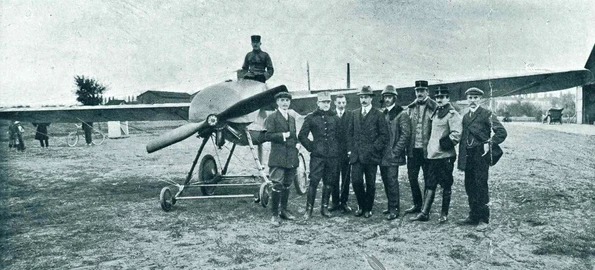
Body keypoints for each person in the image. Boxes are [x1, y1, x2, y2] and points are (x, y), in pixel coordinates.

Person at [457, 87, 507, 231]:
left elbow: (502, 132)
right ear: (467, 99)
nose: (472, 101)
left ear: (480, 99)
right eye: (470, 98)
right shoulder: (466, 117)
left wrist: (489, 144)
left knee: (481, 186)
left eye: (475, 98)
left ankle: (484, 219)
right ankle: (473, 216)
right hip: (468, 156)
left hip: (481, 155)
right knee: (469, 186)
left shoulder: (487, 114)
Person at [411, 86, 461, 223]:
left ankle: (444, 214)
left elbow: (457, 134)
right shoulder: (435, 112)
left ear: (448, 98)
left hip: (445, 157)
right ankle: (424, 213)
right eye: (437, 97)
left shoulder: (452, 114)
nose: (439, 99)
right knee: (430, 184)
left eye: (442, 97)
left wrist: (445, 145)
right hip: (432, 156)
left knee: (446, 185)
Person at [347, 86, 389, 218]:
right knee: (356, 181)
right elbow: (349, 134)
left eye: (366, 97)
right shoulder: (354, 114)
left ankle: (368, 208)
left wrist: (374, 148)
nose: (363, 100)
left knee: (370, 183)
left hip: (371, 156)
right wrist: (351, 150)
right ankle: (361, 205)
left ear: (371, 98)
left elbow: (384, 136)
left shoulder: (379, 114)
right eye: (361, 97)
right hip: (357, 156)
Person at [298, 91, 340, 219]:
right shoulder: (311, 117)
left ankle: (324, 208)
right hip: (317, 156)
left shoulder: (335, 117)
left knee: (329, 181)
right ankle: (309, 210)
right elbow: (302, 136)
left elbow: (340, 136)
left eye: (328, 102)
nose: (326, 104)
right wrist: (312, 147)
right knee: (314, 182)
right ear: (318, 103)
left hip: (332, 155)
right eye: (323, 102)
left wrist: (336, 148)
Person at [264, 91, 299, 226]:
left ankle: (284, 211)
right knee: (277, 184)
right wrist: (284, 135)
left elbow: (294, 136)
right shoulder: (272, 117)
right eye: (282, 100)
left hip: (291, 156)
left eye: (287, 101)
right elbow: (268, 136)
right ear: (277, 102)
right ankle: (274, 215)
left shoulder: (291, 118)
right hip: (278, 157)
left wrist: (297, 144)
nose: (285, 103)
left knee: (286, 185)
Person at [404, 80, 437, 215]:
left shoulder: (434, 107)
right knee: (412, 178)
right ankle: (417, 204)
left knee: (428, 179)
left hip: (427, 151)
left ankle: (425, 207)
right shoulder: (410, 108)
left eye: (422, 91)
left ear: (427, 92)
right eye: (417, 91)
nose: (420, 93)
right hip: (413, 150)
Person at [379, 85, 411, 220]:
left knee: (392, 181)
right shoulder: (383, 113)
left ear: (395, 98)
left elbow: (405, 135)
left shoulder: (401, 114)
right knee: (386, 180)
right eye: (385, 97)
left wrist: (396, 151)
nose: (387, 100)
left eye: (390, 97)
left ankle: (395, 209)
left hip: (393, 155)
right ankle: (390, 205)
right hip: (382, 155)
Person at [329, 94, 353, 213]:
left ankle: (344, 202)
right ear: (335, 103)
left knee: (346, 177)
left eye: (343, 102)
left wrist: (350, 149)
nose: (341, 105)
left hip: (346, 152)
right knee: (334, 176)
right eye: (339, 103)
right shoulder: (331, 115)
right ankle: (334, 202)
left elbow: (352, 133)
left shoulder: (350, 115)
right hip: (334, 152)